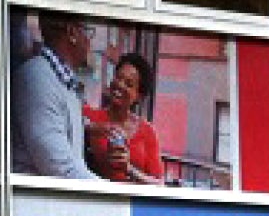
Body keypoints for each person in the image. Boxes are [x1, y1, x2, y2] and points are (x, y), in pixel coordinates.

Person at [12, 14, 121, 179]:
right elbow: (60, 167)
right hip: (37, 202)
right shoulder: (37, 78)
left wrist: (90, 127)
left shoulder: (61, 80)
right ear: (72, 33)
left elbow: (58, 116)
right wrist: (115, 197)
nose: (90, 43)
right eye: (88, 32)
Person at [85, 52, 164, 183]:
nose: (120, 85)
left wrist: (128, 169)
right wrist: (89, 129)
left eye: (129, 84)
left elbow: (159, 183)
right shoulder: (89, 116)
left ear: (139, 96)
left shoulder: (147, 131)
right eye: (118, 77)